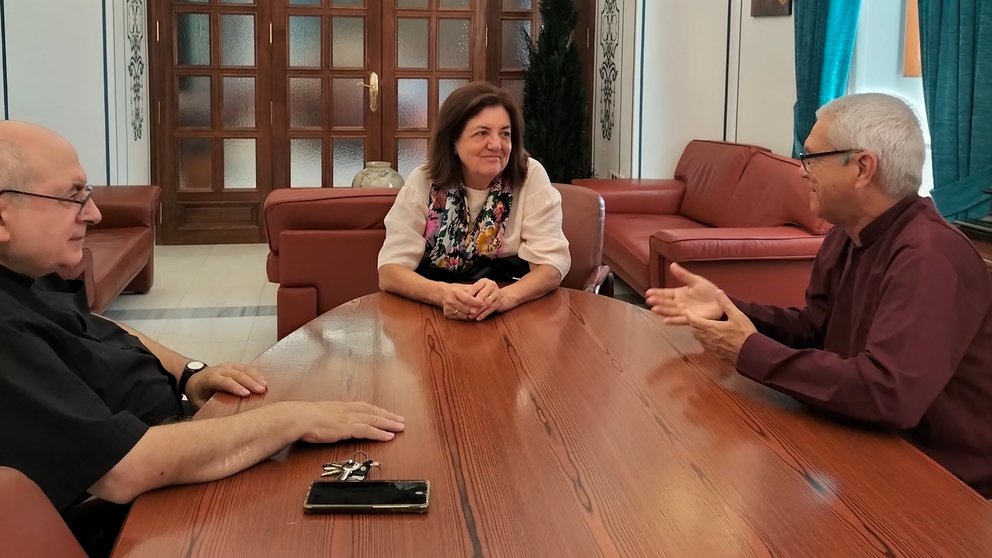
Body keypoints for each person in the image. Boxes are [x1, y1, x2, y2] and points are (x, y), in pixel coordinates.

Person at [0, 122, 406, 546]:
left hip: (178, 438)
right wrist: (292, 419)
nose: (94, 213)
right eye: (72, 196)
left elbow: (97, 326)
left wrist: (189, 373)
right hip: (137, 513)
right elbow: (124, 469)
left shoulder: (30, 272)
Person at [646, 93, 992, 498]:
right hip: (862, 442)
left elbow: (887, 393)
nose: (801, 171)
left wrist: (749, 351)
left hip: (941, 482)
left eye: (811, 158)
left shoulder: (930, 256)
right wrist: (727, 309)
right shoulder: (848, 234)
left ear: (863, 167)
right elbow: (816, 330)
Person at [378, 81, 570, 322]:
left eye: (505, 134)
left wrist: (504, 298)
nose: (496, 145)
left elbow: (551, 266)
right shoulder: (425, 180)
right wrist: (442, 294)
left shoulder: (529, 175)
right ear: (453, 142)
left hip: (513, 312)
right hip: (434, 315)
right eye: (482, 133)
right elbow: (390, 271)